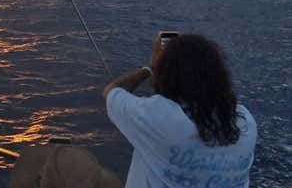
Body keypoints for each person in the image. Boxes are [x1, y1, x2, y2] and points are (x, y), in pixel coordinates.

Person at [103, 33, 257, 188]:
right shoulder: (245, 122)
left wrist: (150, 68)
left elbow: (112, 90)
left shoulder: (157, 117)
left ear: (167, 74)